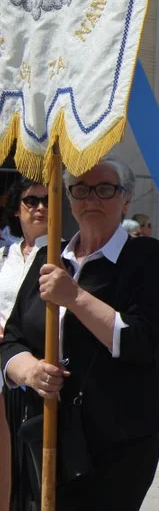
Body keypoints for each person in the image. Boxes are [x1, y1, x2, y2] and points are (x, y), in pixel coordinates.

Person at [0, 157, 159, 509]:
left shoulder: (145, 256)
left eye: (105, 189)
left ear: (126, 199)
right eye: (80, 189)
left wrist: (75, 297)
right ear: (69, 197)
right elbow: (13, 339)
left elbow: (141, 341)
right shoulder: (49, 257)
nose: (91, 198)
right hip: (47, 429)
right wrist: (30, 371)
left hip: (118, 438)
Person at [0, 178, 49, 511]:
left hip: (36, 369)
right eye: (32, 201)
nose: (40, 207)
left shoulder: (64, 253)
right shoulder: (4, 255)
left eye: (47, 200)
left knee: (35, 473)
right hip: (3, 372)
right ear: (17, 210)